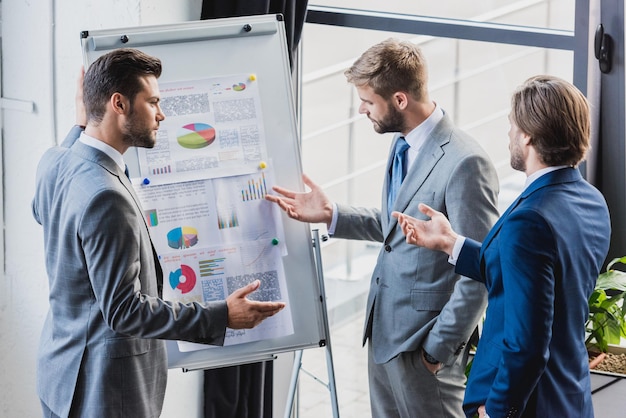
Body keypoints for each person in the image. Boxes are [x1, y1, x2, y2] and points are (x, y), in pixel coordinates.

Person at [32, 48, 285, 418]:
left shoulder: (56, 160)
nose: (161, 114)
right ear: (119, 104)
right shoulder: (107, 196)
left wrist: (81, 123)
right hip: (105, 390)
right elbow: (124, 311)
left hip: (61, 376)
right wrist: (221, 316)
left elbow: (41, 211)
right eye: (152, 102)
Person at [266, 38, 499, 417]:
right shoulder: (403, 145)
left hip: (425, 348)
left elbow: (481, 268)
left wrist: (437, 348)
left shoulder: (465, 163)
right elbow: (399, 228)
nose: (361, 109)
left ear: (400, 100)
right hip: (384, 336)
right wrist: (332, 214)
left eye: (368, 101)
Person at [394, 75, 611, 418]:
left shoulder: (531, 220)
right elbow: (533, 276)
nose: (508, 133)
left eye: (511, 124)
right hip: (569, 396)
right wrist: (451, 243)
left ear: (527, 135)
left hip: (527, 405)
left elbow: (527, 343)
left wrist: (496, 411)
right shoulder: (590, 200)